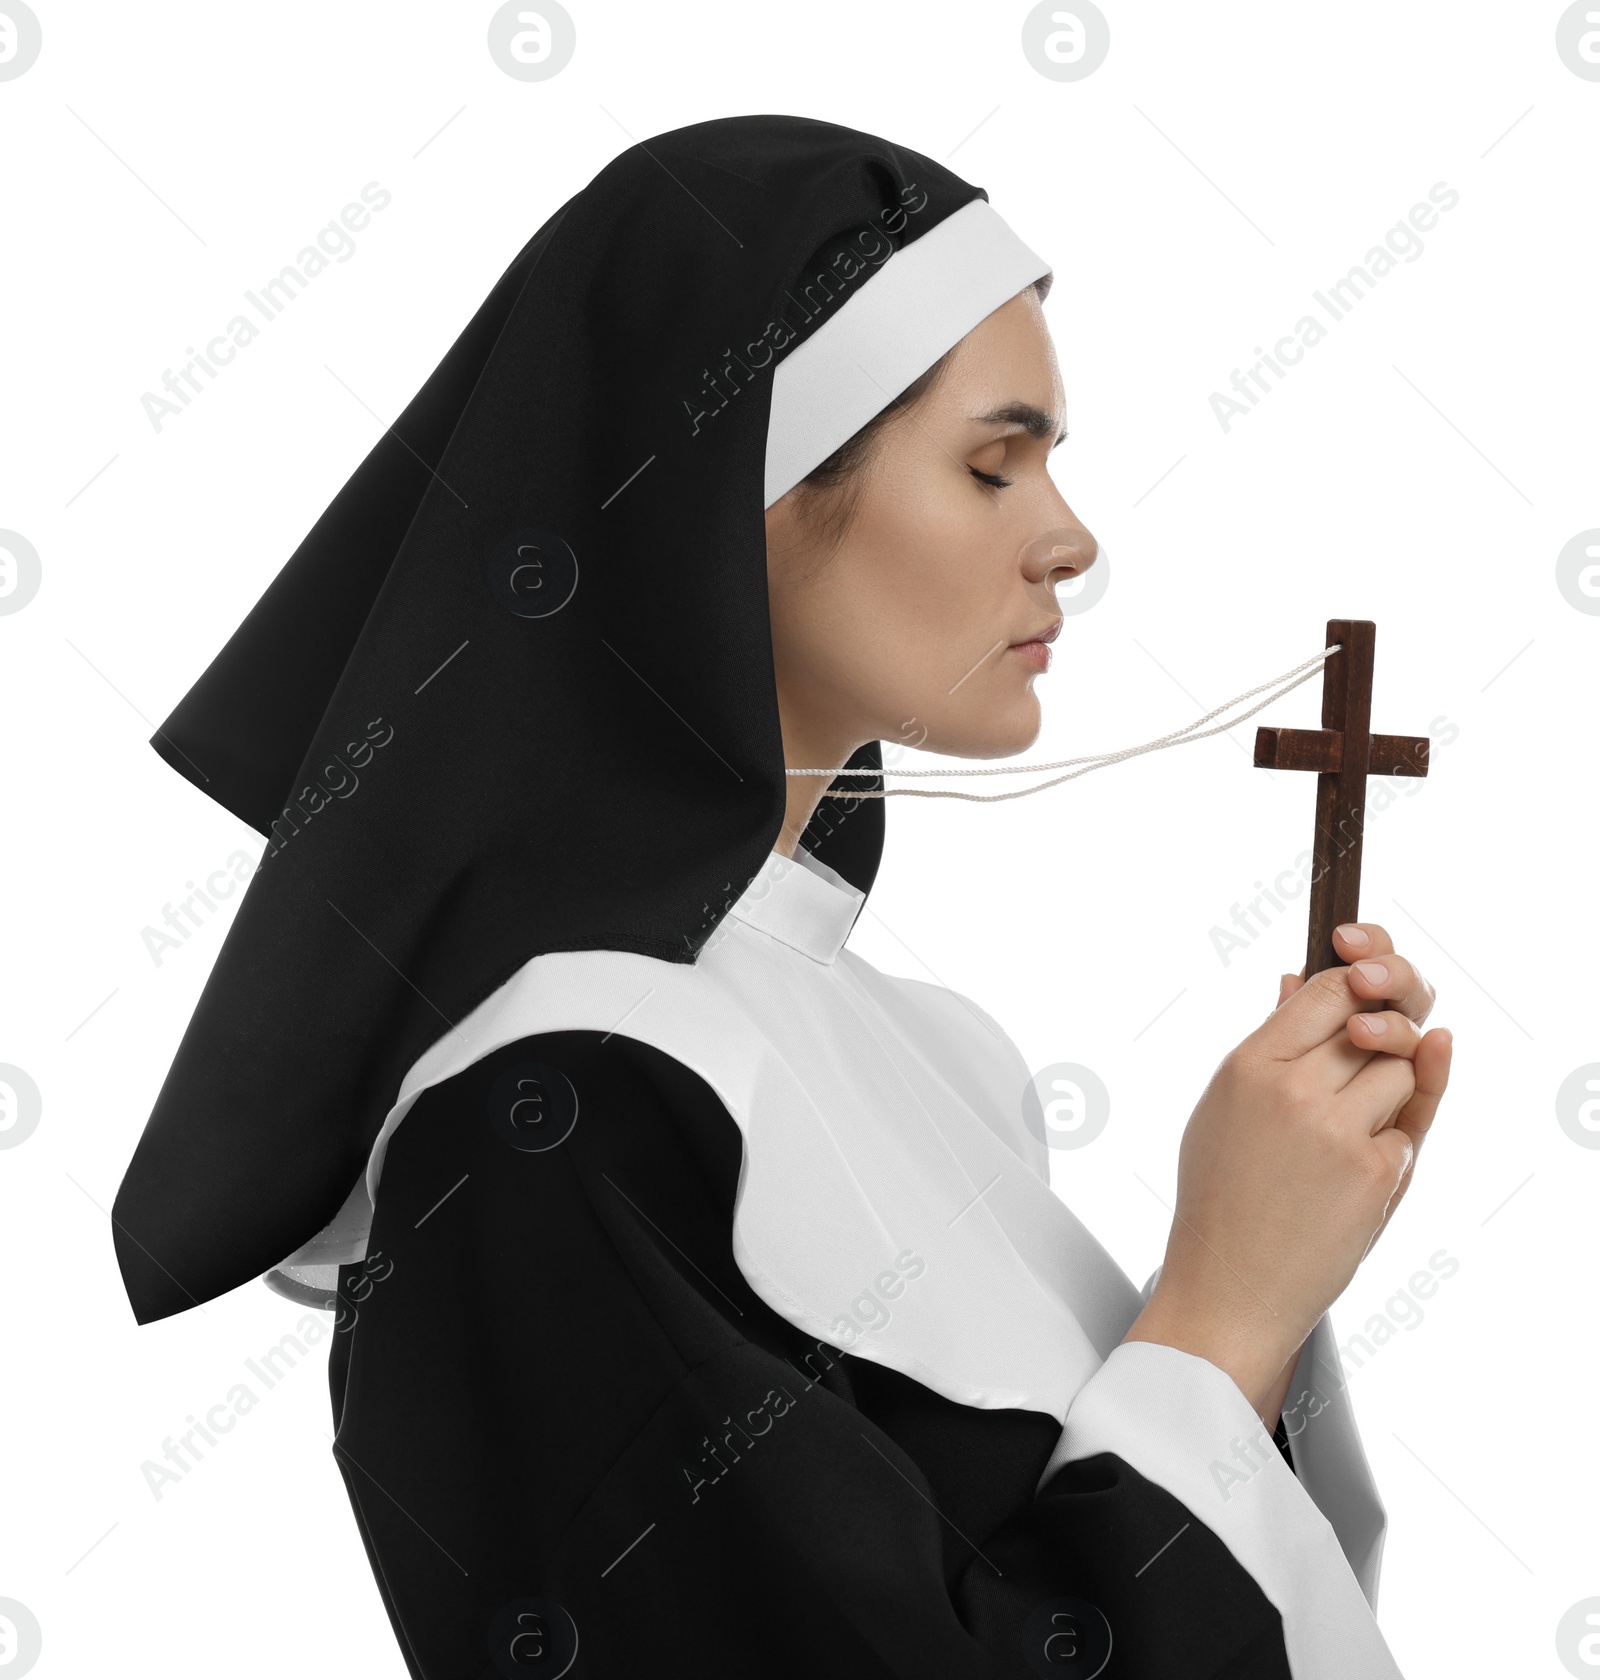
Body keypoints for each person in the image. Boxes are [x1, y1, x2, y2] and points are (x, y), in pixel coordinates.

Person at [112, 115, 1451, 1678]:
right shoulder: (550, 1112)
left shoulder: (940, 1063)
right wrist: (1220, 1310)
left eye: (1050, 465)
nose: (1069, 542)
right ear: (723, 496)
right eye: (990, 464)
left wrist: (1270, 1279)